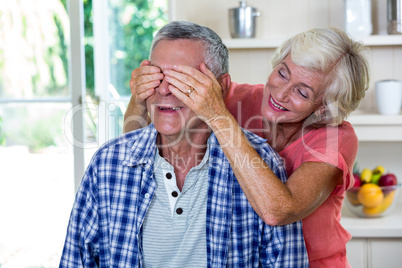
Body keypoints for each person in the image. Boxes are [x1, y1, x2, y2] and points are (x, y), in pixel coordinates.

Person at [60, 21, 309, 267]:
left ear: (220, 87)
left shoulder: (261, 162)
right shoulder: (107, 164)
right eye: (156, 76)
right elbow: (75, 260)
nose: (165, 89)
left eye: (183, 79)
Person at [123, 25, 370, 267]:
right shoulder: (238, 98)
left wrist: (219, 117)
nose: (280, 93)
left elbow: (278, 211)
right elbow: (137, 153)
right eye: (283, 73)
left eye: (302, 92)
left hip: (311, 263)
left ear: (324, 108)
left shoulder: (335, 139)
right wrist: (141, 97)